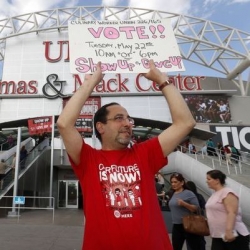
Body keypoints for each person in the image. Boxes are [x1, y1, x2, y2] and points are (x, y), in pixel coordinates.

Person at [57, 60, 196, 250]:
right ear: (100, 127)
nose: (128, 123)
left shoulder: (145, 153)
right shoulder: (88, 159)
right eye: (118, 118)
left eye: (128, 119)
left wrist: (163, 81)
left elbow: (185, 123)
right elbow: (64, 124)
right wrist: (90, 83)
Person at [206, 169, 249, 250]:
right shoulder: (214, 194)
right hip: (219, 235)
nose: (206, 181)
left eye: (209, 179)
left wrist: (229, 230)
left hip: (232, 234)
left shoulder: (227, 192)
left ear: (217, 180)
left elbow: (232, 212)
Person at [168, 173, 204, 250]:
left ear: (182, 182)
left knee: (194, 247)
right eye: (172, 182)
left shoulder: (188, 193)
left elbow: (196, 208)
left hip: (189, 224)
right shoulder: (172, 193)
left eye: (175, 182)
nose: (173, 184)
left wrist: (184, 204)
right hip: (176, 226)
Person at [186, 180, 206, 250]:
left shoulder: (186, 197)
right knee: (200, 240)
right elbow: (204, 207)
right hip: (199, 222)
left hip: (189, 222)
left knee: (190, 242)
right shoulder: (199, 196)